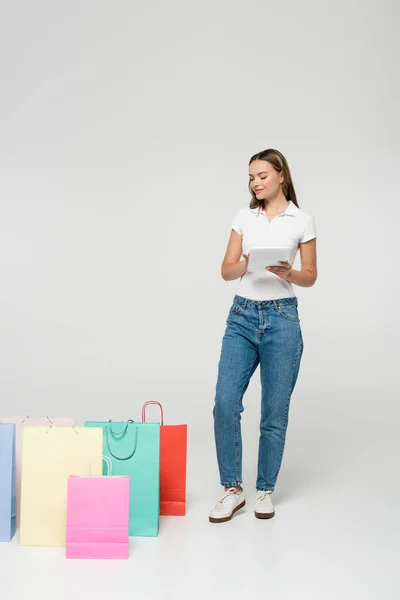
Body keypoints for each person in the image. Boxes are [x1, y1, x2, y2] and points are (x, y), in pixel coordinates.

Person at [209, 148, 317, 523]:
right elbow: (225, 270)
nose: (255, 183)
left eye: (262, 176)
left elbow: (311, 276)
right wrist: (248, 263)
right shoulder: (243, 217)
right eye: (252, 177)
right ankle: (232, 489)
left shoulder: (301, 220)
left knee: (274, 412)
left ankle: (265, 490)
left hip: (282, 318)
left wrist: (289, 272)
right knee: (225, 403)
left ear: (281, 175)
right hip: (241, 316)